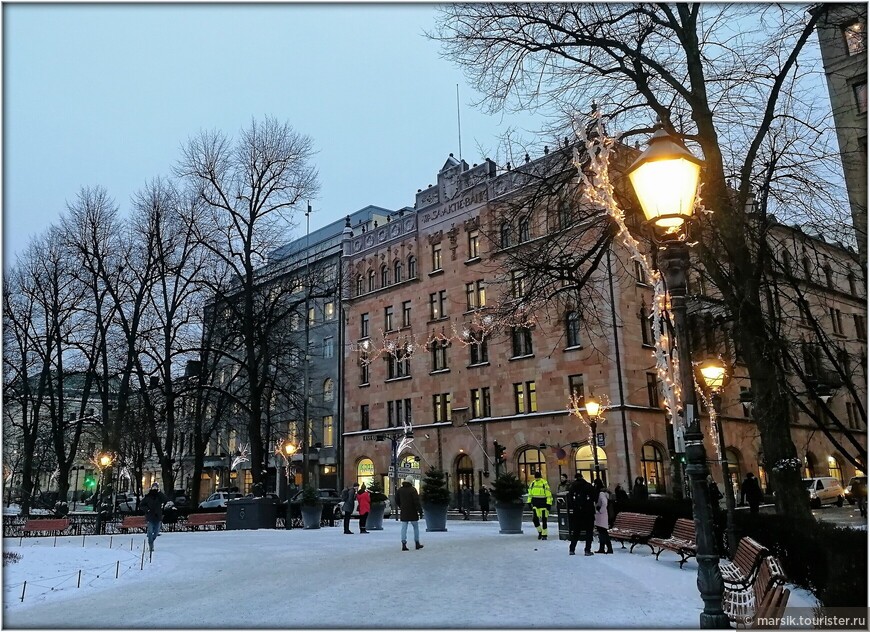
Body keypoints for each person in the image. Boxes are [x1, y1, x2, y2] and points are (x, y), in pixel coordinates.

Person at [567, 472, 596, 555]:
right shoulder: (588, 486)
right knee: (589, 531)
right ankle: (587, 550)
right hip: (588, 511)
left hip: (577, 512)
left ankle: (572, 549)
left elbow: (570, 498)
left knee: (576, 531)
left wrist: (574, 506)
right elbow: (594, 497)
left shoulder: (572, 487)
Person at [396, 476, 423, 551]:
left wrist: (401, 506)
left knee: (404, 528)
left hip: (404, 511)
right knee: (415, 527)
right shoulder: (413, 490)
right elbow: (416, 502)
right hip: (413, 511)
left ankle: (403, 543)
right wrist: (420, 511)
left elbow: (396, 500)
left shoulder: (400, 490)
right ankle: (417, 543)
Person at [141, 482, 168, 553]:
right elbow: (141, 505)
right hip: (150, 517)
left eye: (156, 487)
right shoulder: (148, 497)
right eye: (154, 487)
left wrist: (159, 492)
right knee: (150, 532)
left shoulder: (159, 496)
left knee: (156, 532)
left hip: (158, 517)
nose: (155, 489)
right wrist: (147, 509)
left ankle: (151, 540)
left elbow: (165, 499)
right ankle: (151, 545)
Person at [527, 471, 553, 540]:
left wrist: (548, 503)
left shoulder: (544, 483)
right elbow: (530, 494)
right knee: (535, 519)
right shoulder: (533, 483)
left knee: (544, 520)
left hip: (543, 504)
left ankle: (544, 535)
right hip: (536, 504)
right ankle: (540, 532)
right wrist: (529, 502)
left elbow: (548, 494)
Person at [593, 479, 613, 554]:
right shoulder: (602, 492)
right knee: (603, 532)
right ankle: (605, 548)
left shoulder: (601, 493)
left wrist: (600, 510)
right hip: (601, 515)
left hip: (601, 515)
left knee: (603, 532)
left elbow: (604, 503)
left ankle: (606, 548)